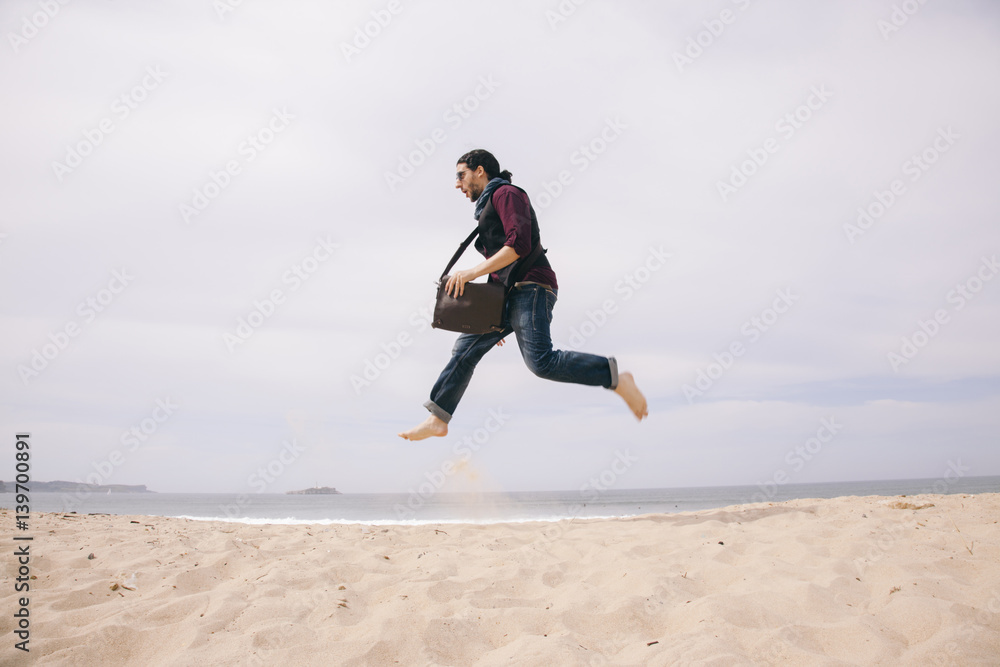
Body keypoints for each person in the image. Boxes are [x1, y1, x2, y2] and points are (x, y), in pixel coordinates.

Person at [398, 149, 648, 441]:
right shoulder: (488, 207)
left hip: (532, 288)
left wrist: (471, 273)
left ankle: (613, 376)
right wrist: (492, 312)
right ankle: (438, 418)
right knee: (464, 351)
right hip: (506, 296)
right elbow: (500, 264)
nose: (457, 184)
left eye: (461, 175)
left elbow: (519, 245)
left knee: (541, 362)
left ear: (480, 170)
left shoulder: (507, 194)